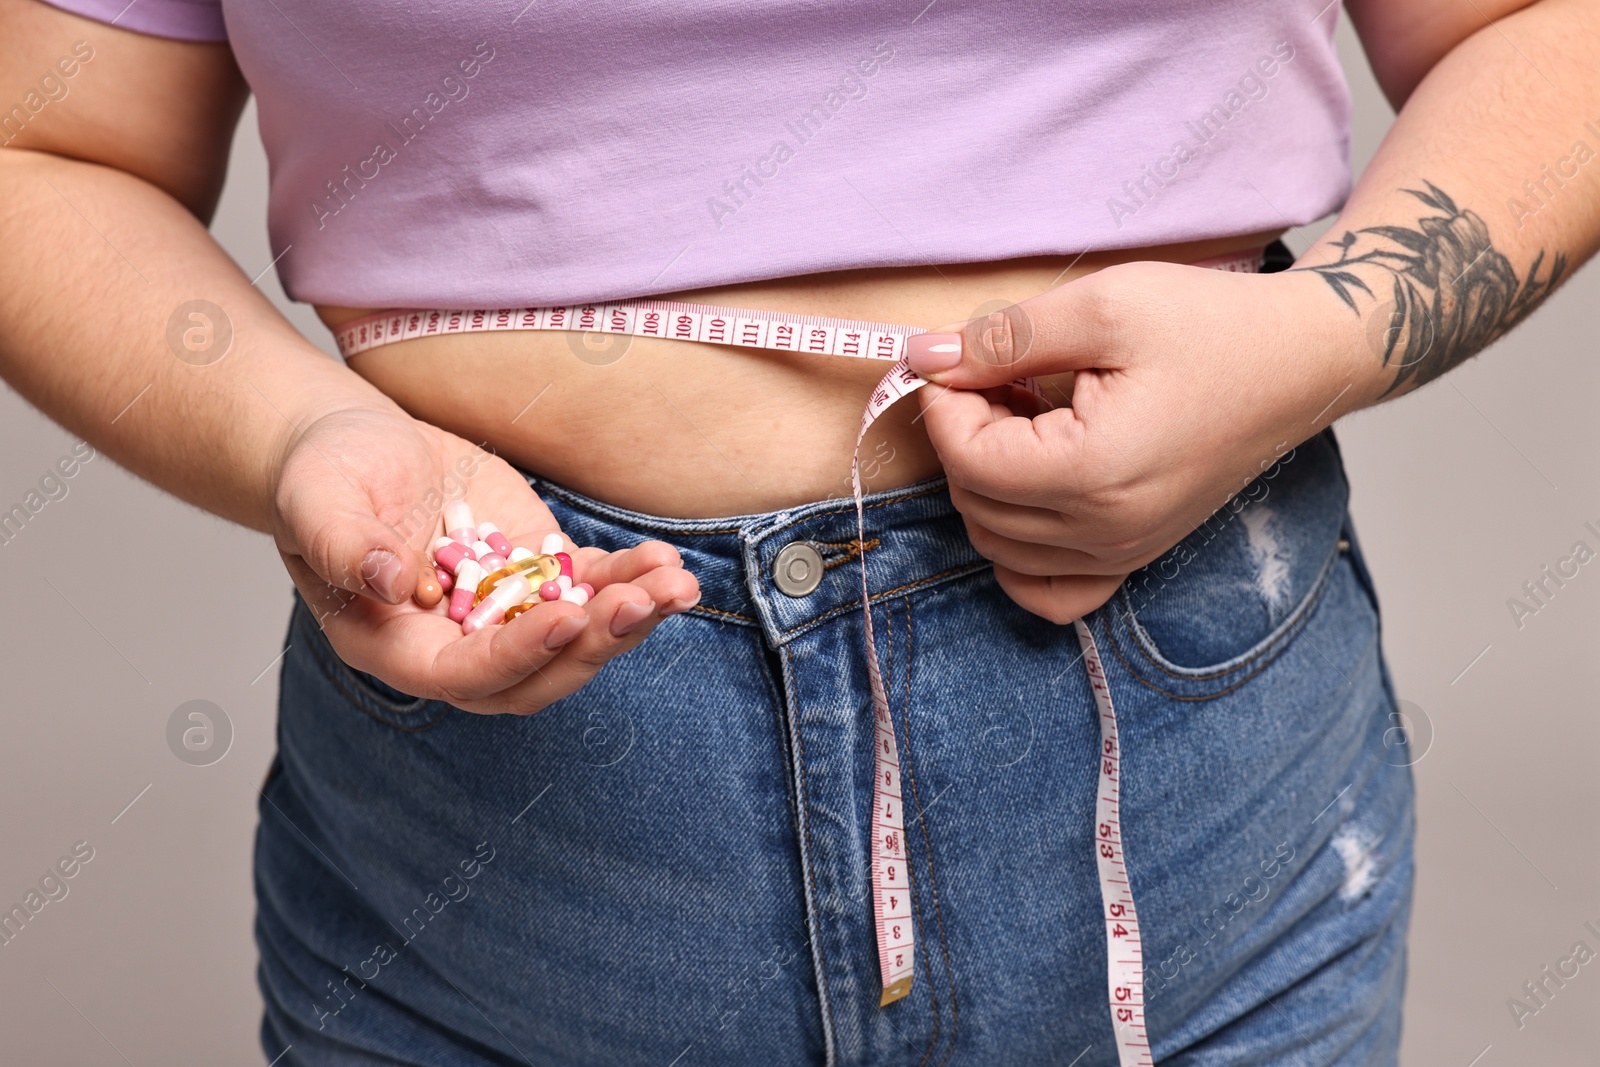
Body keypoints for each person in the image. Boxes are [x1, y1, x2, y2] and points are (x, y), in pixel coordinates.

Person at [1, 0, 1594, 1062]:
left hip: (1193, 736)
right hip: (496, 788)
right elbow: (43, 147)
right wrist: (306, 440)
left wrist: (1319, 334)